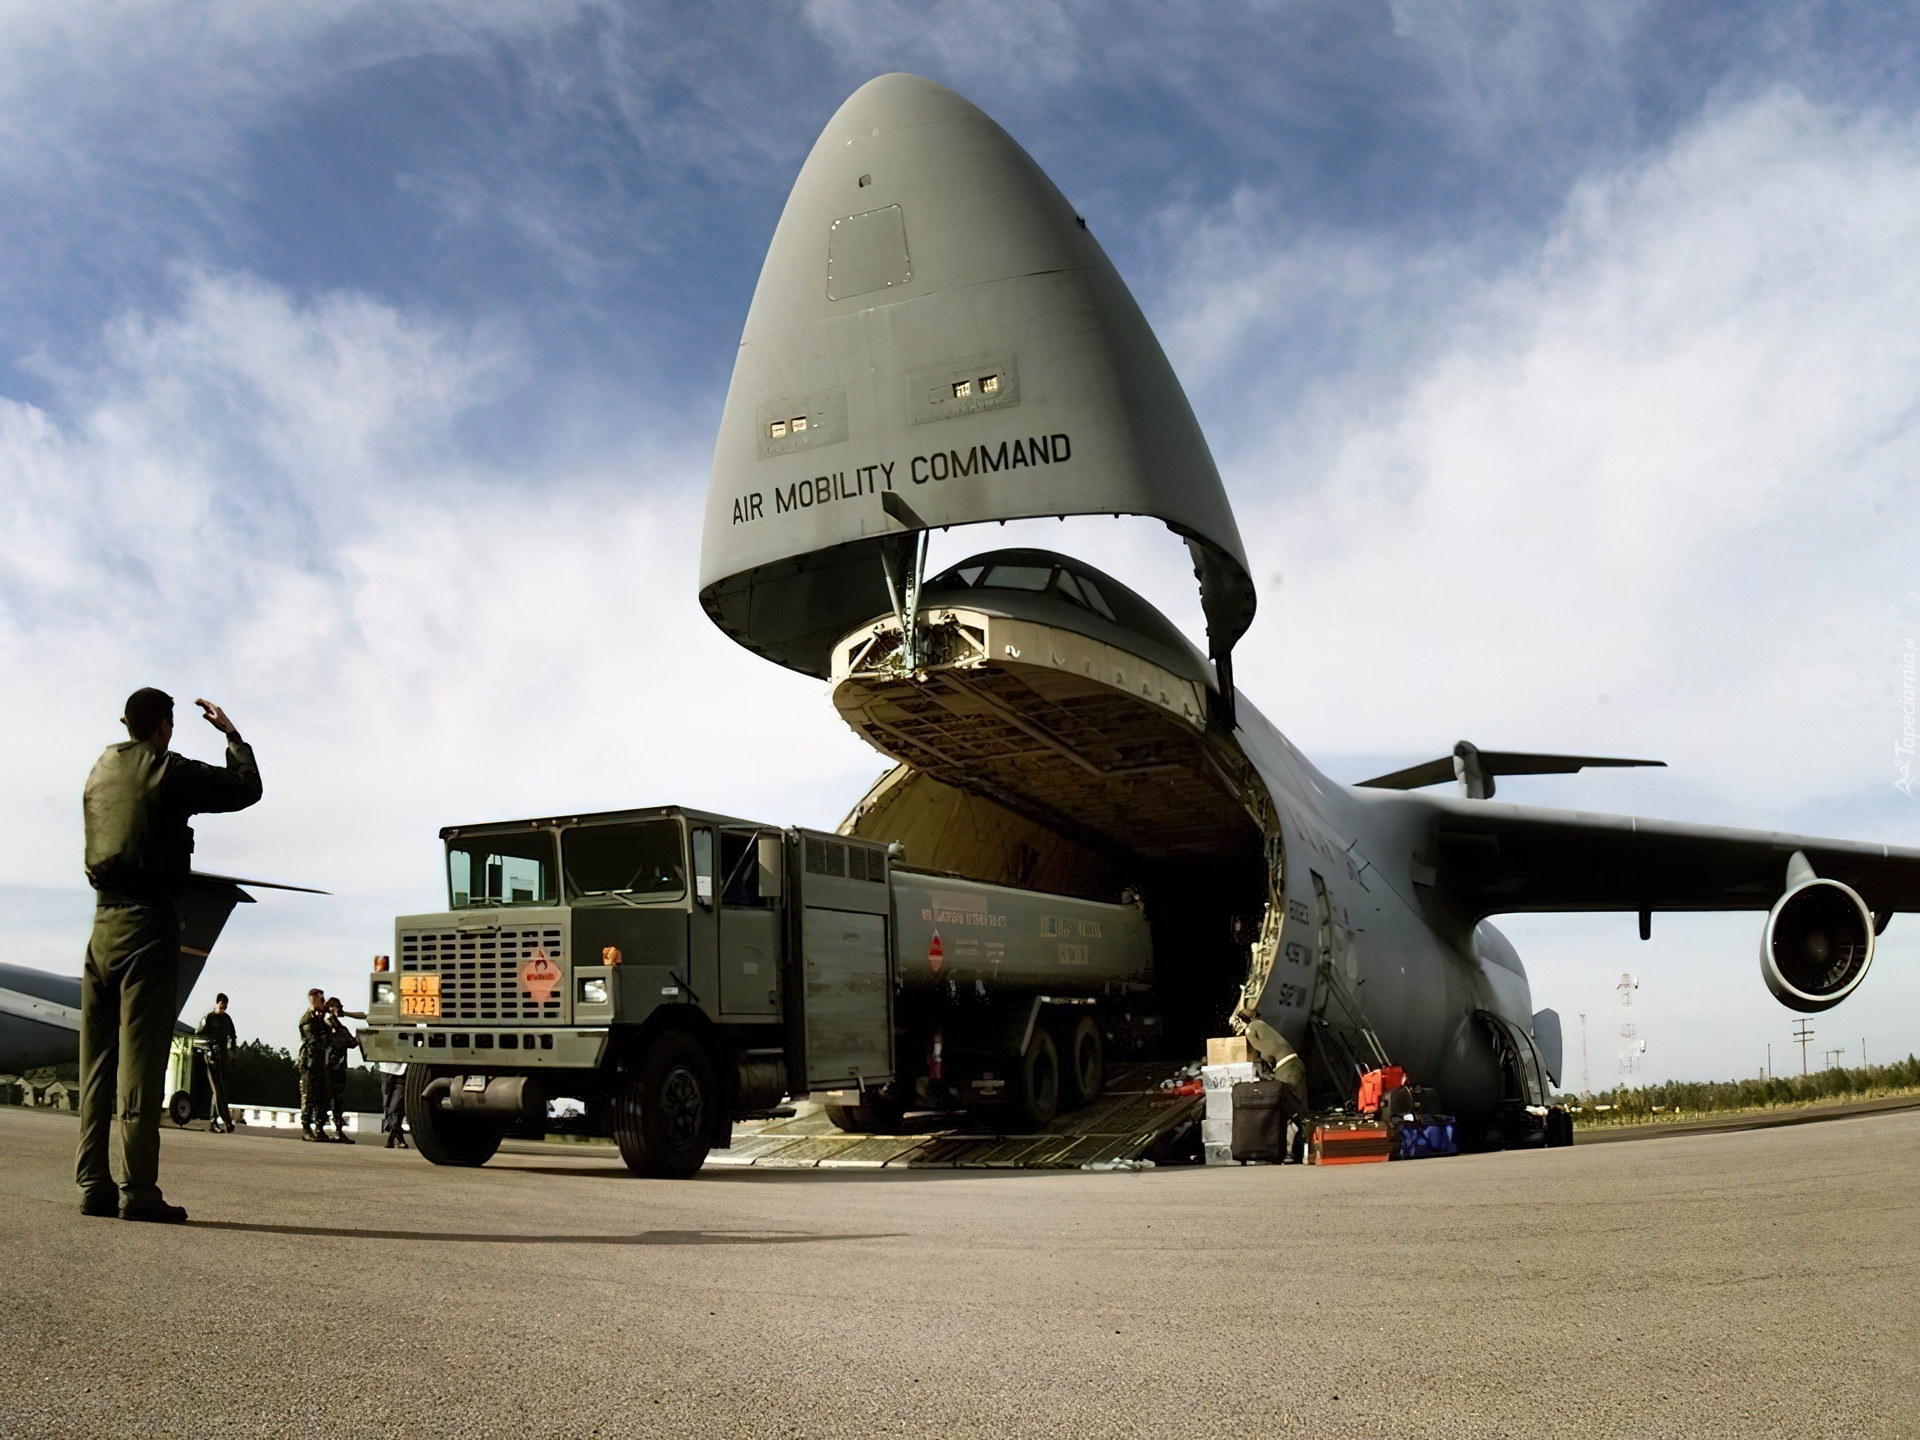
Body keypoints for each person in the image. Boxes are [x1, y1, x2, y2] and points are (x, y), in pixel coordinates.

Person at [78, 690, 261, 1222]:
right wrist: (231, 735)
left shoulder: (99, 771)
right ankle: (138, 1191)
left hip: (101, 928)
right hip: (146, 926)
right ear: (165, 725)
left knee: (96, 1065)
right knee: (140, 1064)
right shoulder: (169, 769)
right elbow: (245, 788)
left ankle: (92, 1184)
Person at [195, 993, 239, 1133]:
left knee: (221, 1091)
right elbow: (197, 1037)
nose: (223, 1010)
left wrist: (232, 1053)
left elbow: (232, 1037)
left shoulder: (227, 1019)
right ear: (217, 1004)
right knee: (217, 1090)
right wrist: (207, 1049)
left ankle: (214, 1121)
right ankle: (227, 1121)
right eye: (221, 1007)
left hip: (223, 1058)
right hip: (211, 1058)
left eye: (225, 1007)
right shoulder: (208, 1019)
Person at [323, 997, 365, 1143]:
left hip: (334, 1067)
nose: (341, 1010)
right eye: (339, 1007)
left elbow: (349, 1041)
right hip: (332, 1067)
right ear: (331, 1008)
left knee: (335, 1100)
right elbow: (348, 1041)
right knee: (332, 1099)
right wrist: (358, 1037)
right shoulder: (330, 1025)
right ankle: (332, 1130)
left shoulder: (333, 1025)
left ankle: (334, 1130)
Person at [297, 988, 334, 1142]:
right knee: (308, 1094)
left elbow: (329, 1038)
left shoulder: (320, 1019)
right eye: (321, 999)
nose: (323, 1002)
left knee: (323, 1095)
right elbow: (314, 1039)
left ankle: (319, 1128)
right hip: (310, 1063)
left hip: (320, 1062)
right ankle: (306, 1128)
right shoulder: (307, 1019)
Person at [378, 1061, 409, 1149]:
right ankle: (398, 1138)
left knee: (396, 1106)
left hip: (403, 1070)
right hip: (386, 1069)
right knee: (387, 1106)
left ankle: (392, 1138)